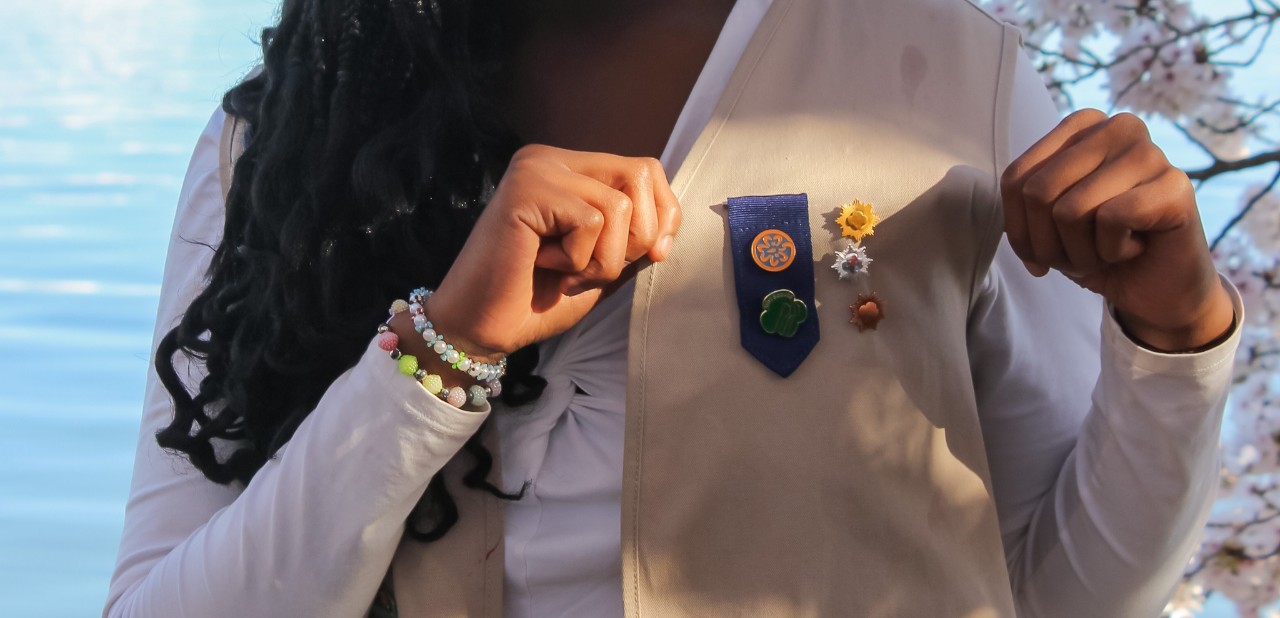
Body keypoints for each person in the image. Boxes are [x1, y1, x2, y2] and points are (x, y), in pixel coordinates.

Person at [105, 0, 1241, 616]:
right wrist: (439, 357)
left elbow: (1061, 601)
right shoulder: (290, 139)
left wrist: (1171, 344)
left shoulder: (944, 70)